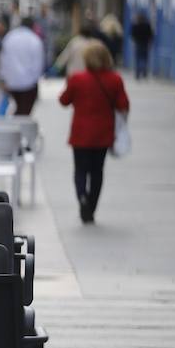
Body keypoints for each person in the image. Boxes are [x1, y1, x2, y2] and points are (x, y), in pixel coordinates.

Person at [58, 41, 129, 224]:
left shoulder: (77, 78)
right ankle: (92, 206)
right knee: (97, 171)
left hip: (80, 134)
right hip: (103, 134)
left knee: (80, 170)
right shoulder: (115, 79)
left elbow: (64, 101)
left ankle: (82, 196)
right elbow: (123, 105)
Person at [0, 15, 46, 115]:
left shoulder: (10, 37)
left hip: (11, 82)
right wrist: (34, 79)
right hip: (28, 84)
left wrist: (4, 78)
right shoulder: (35, 40)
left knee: (17, 109)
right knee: (24, 112)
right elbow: (38, 65)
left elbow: (4, 60)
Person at [130, 12, 154, 79]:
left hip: (138, 43)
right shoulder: (147, 25)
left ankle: (137, 73)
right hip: (145, 44)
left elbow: (132, 35)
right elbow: (151, 35)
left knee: (137, 59)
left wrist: (134, 41)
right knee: (145, 58)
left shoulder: (135, 25)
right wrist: (150, 42)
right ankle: (144, 72)